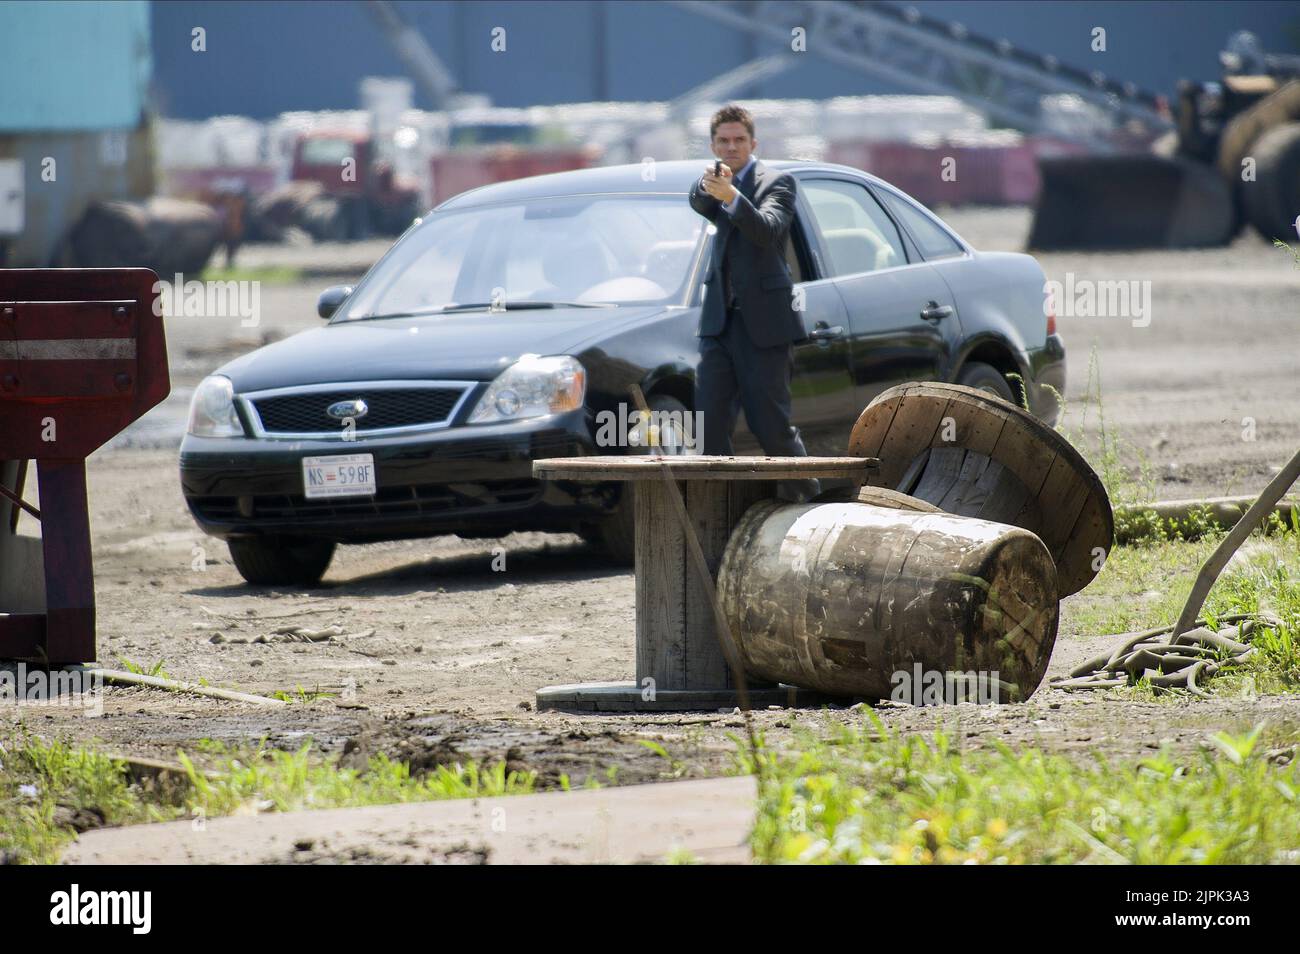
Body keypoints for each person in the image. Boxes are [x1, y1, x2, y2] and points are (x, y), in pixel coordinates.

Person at [688, 103, 818, 501]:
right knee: (708, 427)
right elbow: (697, 201)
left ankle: (807, 499)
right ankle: (723, 510)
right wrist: (715, 187)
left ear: (753, 142)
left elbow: (766, 229)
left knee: (770, 426)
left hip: (764, 325)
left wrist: (732, 196)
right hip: (719, 325)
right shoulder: (713, 181)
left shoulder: (778, 182)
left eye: (738, 140)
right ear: (713, 145)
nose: (731, 147)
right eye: (723, 141)